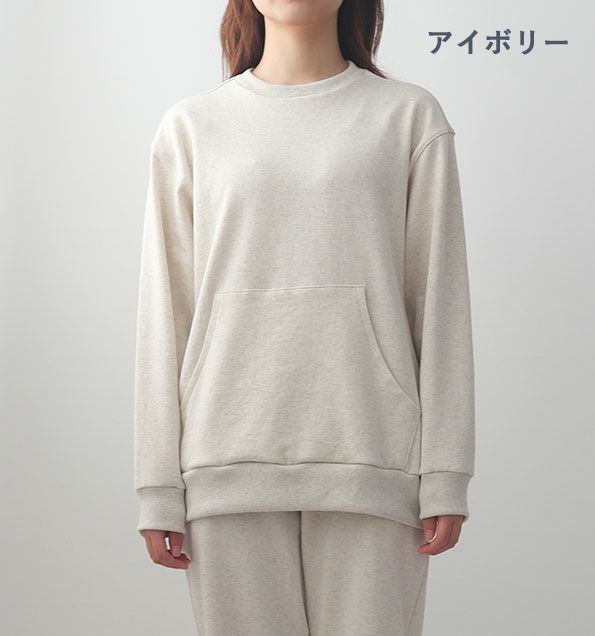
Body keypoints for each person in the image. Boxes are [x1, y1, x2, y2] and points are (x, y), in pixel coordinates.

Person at [133, 1, 476, 634]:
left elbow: (441, 302)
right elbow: (165, 313)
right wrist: (157, 484)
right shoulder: (192, 127)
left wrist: (445, 472)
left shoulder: (407, 117)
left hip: (374, 457)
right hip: (225, 460)